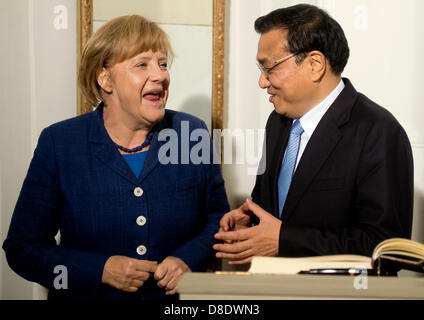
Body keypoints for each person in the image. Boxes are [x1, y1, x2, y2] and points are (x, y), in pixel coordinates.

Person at [3, 15, 229, 300]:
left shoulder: (190, 132)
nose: (160, 75)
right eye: (142, 64)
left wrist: (188, 260)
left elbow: (219, 220)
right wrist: (99, 269)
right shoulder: (59, 143)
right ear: (105, 78)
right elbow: (23, 248)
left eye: (162, 63)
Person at [214, 4, 413, 264]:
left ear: (315, 64)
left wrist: (283, 241)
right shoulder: (277, 124)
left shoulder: (379, 132)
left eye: (268, 68)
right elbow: (270, 203)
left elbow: (387, 250)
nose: (262, 82)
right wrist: (251, 223)